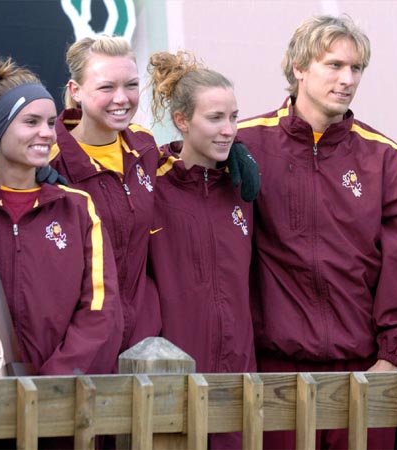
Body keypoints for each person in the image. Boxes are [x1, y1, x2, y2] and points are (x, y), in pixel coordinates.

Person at [237, 14, 397, 449]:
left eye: (356, 68)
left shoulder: (384, 159)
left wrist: (390, 359)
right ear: (298, 67)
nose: (347, 79)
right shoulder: (247, 146)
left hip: (364, 374)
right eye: (334, 65)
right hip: (273, 373)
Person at [146, 50, 255, 449]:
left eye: (234, 117)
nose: (229, 130)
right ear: (181, 120)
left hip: (237, 383)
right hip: (170, 382)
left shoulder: (244, 187)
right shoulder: (151, 184)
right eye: (215, 118)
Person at [0, 56, 122, 375]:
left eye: (50, 123)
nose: (46, 133)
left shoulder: (77, 208)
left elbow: (99, 309)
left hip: (61, 403)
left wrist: (54, 384)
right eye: (31, 122)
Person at [49, 35, 162, 353]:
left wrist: (231, 150)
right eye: (106, 87)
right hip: (76, 352)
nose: (122, 98)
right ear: (76, 91)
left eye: (130, 85)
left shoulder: (145, 147)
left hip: (143, 345)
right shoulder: (47, 163)